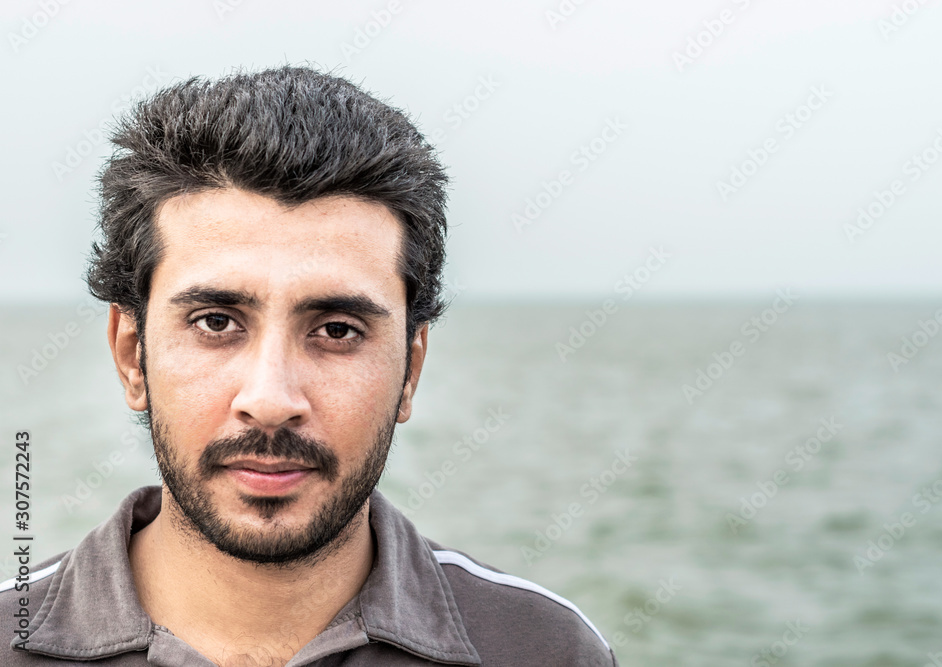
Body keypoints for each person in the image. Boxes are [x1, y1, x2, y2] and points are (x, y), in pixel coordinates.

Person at [0, 66, 616, 666]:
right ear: (132, 355)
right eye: (216, 322)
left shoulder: (547, 650)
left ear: (410, 371)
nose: (270, 399)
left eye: (337, 330)